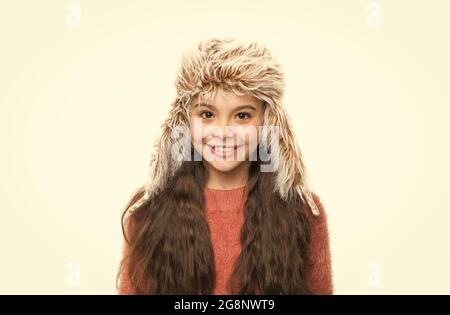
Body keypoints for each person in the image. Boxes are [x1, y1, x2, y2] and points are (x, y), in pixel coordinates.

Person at [116, 38, 333, 295]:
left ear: (267, 121)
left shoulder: (303, 211)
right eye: (207, 114)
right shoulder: (147, 211)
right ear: (185, 120)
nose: (223, 132)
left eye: (242, 115)